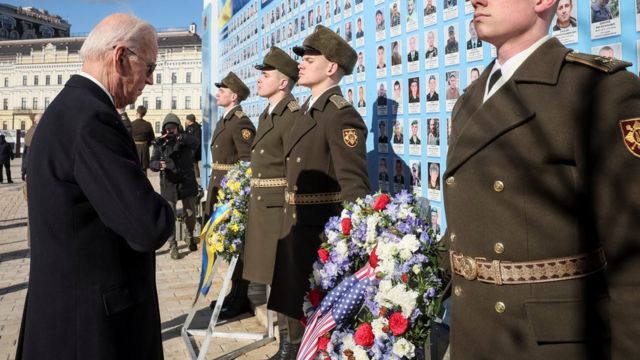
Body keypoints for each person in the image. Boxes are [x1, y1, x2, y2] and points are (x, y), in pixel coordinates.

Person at [444, 1, 640, 358]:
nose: (476, 0)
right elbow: (470, 220)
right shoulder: (470, 99)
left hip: (547, 344)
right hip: (474, 333)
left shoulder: (597, 91)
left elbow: (633, 255)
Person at [16, 13, 174, 360]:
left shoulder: (68, 108)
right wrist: (165, 205)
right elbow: (148, 226)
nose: (149, 81)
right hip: (90, 328)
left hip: (66, 313)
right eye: (149, 68)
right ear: (120, 58)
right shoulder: (92, 119)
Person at [269, 25, 370, 359]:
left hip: (319, 237)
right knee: (292, 306)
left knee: (314, 320)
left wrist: (348, 249)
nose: (301, 63)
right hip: (295, 226)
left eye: (309, 59)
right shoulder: (306, 113)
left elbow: (355, 188)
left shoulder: (340, 115)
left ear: (331, 68)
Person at [243, 47, 300, 360]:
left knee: (285, 280)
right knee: (275, 279)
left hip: (279, 209)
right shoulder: (269, 114)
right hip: (265, 207)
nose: (259, 80)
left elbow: (295, 167)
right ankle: (285, 341)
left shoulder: (291, 116)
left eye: (266, 75)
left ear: (283, 83)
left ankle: (292, 344)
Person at [205, 71, 256, 318]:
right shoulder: (225, 119)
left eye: (222, 90)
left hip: (230, 194)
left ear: (233, 96)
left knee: (238, 246)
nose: (218, 93)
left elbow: (247, 162)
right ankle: (234, 293)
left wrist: (235, 193)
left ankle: (241, 297)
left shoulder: (240, 122)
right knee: (229, 246)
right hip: (219, 189)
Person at [149, 113, 199, 259]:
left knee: (190, 213)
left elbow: (195, 143)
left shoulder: (185, 139)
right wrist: (157, 165)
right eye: (168, 129)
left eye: (173, 128)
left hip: (187, 182)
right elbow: (152, 162)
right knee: (170, 215)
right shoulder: (160, 143)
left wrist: (180, 137)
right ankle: (173, 245)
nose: (170, 131)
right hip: (169, 184)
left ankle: (189, 235)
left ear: (178, 128)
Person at [131, 105, 155, 174]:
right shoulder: (148, 124)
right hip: (144, 149)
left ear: (137, 113)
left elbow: (128, 138)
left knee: (134, 169)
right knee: (144, 171)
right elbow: (152, 139)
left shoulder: (132, 124)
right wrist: (146, 145)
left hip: (134, 148)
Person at [21, 113, 41, 181]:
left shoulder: (30, 130)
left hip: (28, 167)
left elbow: (25, 154)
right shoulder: (40, 131)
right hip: (36, 167)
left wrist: (23, 170)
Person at [184, 113, 202, 179]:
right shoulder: (188, 127)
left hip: (193, 150)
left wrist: (193, 151)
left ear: (190, 120)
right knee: (190, 165)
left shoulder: (196, 128)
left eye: (187, 119)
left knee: (194, 165)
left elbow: (197, 140)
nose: (186, 121)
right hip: (189, 150)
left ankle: (197, 179)